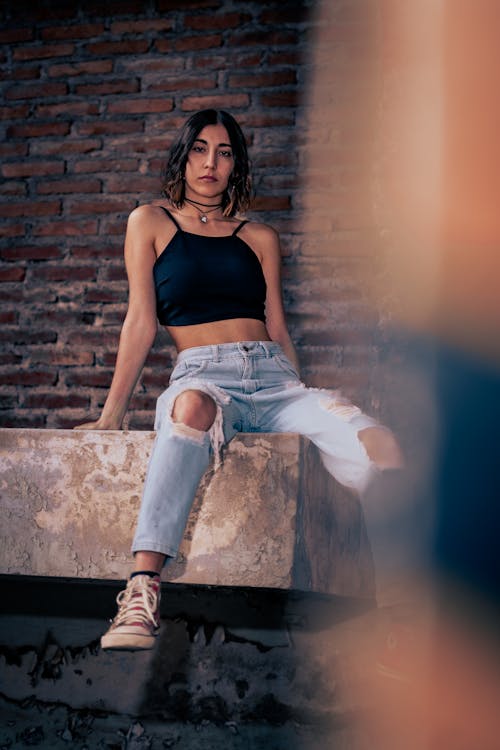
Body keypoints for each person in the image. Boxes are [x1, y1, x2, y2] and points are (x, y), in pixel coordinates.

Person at [76, 109, 403, 651]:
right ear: (183, 157)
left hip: (275, 381)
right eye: (201, 149)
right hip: (204, 375)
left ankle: (402, 618)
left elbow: (277, 325)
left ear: (236, 165)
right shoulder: (150, 222)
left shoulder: (259, 236)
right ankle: (140, 592)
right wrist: (113, 414)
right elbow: (140, 320)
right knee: (190, 411)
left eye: (224, 152)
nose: (211, 163)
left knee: (381, 443)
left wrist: (304, 404)